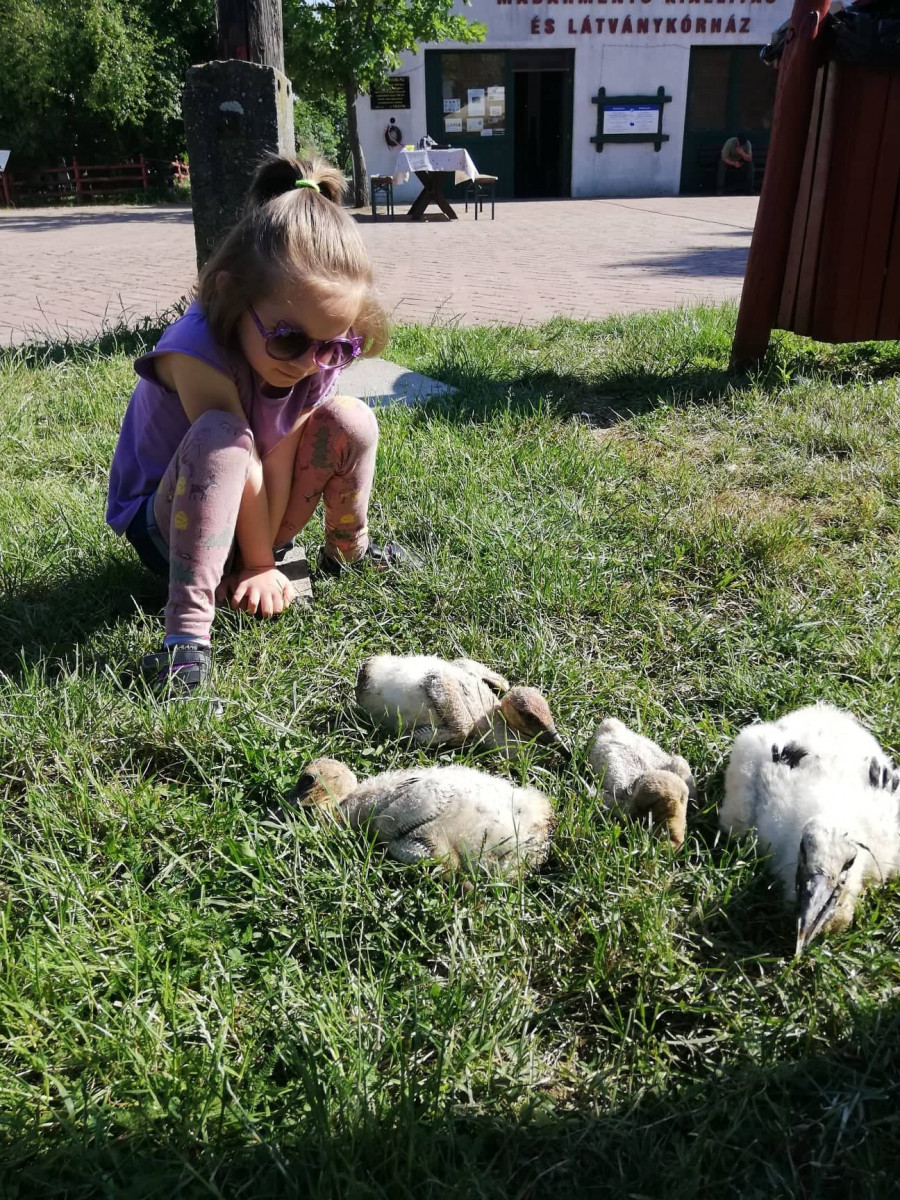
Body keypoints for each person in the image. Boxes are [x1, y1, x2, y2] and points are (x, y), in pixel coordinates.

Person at [106, 153, 412, 698]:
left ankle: (349, 550)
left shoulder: (314, 353)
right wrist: (260, 563)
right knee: (224, 436)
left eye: (336, 345)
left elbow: (282, 446)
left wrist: (264, 552)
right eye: (289, 339)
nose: (309, 362)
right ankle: (186, 637)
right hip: (171, 523)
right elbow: (236, 455)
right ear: (232, 293)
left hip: (252, 498)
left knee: (352, 421)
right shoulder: (197, 352)